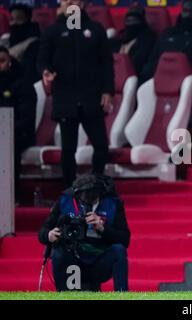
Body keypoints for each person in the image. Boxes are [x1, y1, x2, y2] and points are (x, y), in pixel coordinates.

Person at [37, 0, 114, 188]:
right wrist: (46, 71)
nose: (72, 3)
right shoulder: (52, 31)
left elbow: (107, 64)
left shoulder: (95, 29)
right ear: (61, 4)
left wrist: (107, 91)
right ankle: (70, 189)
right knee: (68, 149)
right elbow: (42, 59)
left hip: (92, 97)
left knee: (101, 145)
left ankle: (97, 185)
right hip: (65, 97)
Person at [38, 174, 130, 291]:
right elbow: (43, 231)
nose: (87, 200)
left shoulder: (113, 204)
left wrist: (103, 228)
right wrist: (49, 235)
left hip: (100, 262)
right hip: (73, 261)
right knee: (59, 253)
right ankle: (65, 295)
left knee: (119, 250)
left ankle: (122, 295)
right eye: (83, 197)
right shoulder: (65, 201)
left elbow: (125, 240)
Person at [139, 0, 192, 84]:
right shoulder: (168, 32)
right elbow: (153, 58)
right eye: (185, 11)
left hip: (188, 78)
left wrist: (185, 74)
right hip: (159, 75)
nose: (188, 14)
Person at [0, 46, 36, 202]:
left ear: (10, 62)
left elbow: (26, 118)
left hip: (19, 133)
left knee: (7, 146)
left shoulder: (23, 83)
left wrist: (7, 130)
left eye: (1, 61)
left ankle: (9, 197)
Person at [0, 3, 41, 83]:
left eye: (19, 19)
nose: (14, 23)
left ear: (27, 20)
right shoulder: (4, 39)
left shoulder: (34, 43)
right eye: (12, 19)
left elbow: (28, 71)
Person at [109, 6, 156, 72]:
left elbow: (138, 62)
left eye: (134, 20)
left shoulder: (147, 38)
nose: (131, 24)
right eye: (128, 21)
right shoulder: (121, 36)